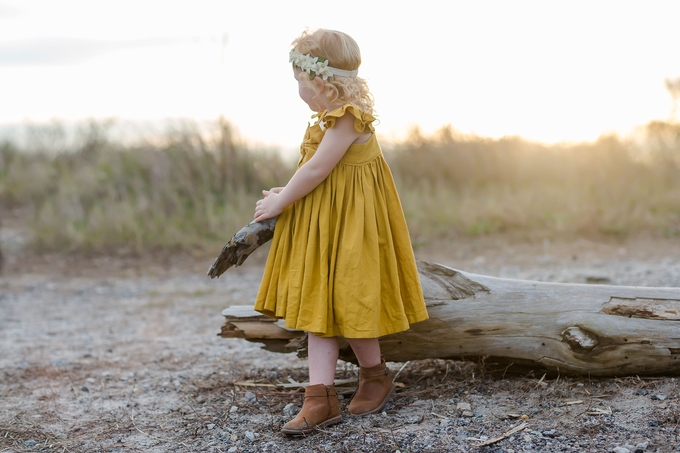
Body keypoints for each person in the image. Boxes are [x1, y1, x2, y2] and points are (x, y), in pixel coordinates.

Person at [253, 28, 429, 435]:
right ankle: (320, 398)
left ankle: (375, 375)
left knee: (351, 298)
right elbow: (315, 174)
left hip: (352, 228)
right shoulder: (329, 120)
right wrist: (287, 190)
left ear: (318, 81)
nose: (298, 90)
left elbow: (318, 169)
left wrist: (281, 203)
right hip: (324, 223)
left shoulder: (349, 118)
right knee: (319, 306)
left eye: (299, 81)